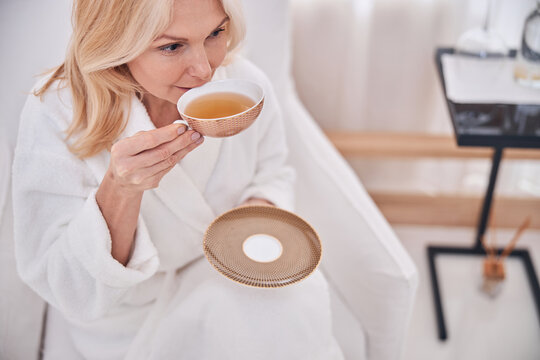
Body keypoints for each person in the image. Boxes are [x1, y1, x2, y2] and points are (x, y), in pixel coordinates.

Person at [12, 0, 343, 358]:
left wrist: (254, 215)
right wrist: (121, 189)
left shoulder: (244, 86)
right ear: (117, 42)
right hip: (124, 316)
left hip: (221, 279)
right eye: (171, 46)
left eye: (215, 33)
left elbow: (273, 170)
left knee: (292, 303)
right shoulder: (58, 111)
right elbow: (68, 285)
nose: (204, 69)